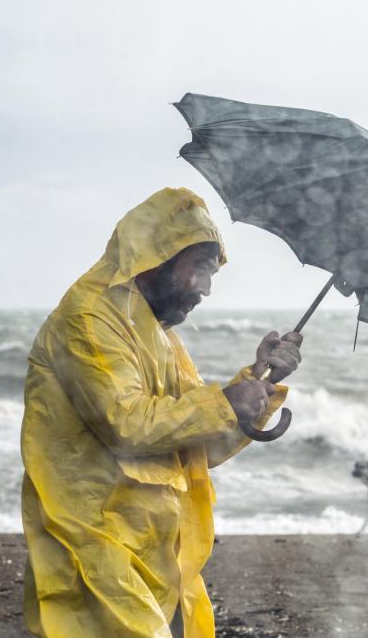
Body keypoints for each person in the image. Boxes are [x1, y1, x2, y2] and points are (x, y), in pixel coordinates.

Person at [20, 187, 302, 638]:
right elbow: (126, 425)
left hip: (154, 547)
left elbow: (197, 446)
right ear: (158, 256)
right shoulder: (89, 320)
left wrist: (257, 386)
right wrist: (227, 403)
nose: (207, 289)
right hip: (94, 539)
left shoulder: (156, 332)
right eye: (202, 271)